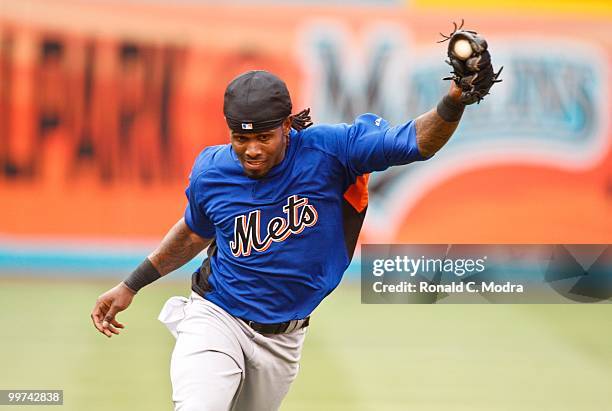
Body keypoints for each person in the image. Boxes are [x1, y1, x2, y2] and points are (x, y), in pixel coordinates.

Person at [91, 27, 500, 411]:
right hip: (216, 318)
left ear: (288, 126)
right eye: (241, 137)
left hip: (283, 341)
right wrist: (133, 284)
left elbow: (414, 142)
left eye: (263, 137)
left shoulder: (332, 151)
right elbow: (194, 232)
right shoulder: (211, 171)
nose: (251, 149)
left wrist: (454, 100)